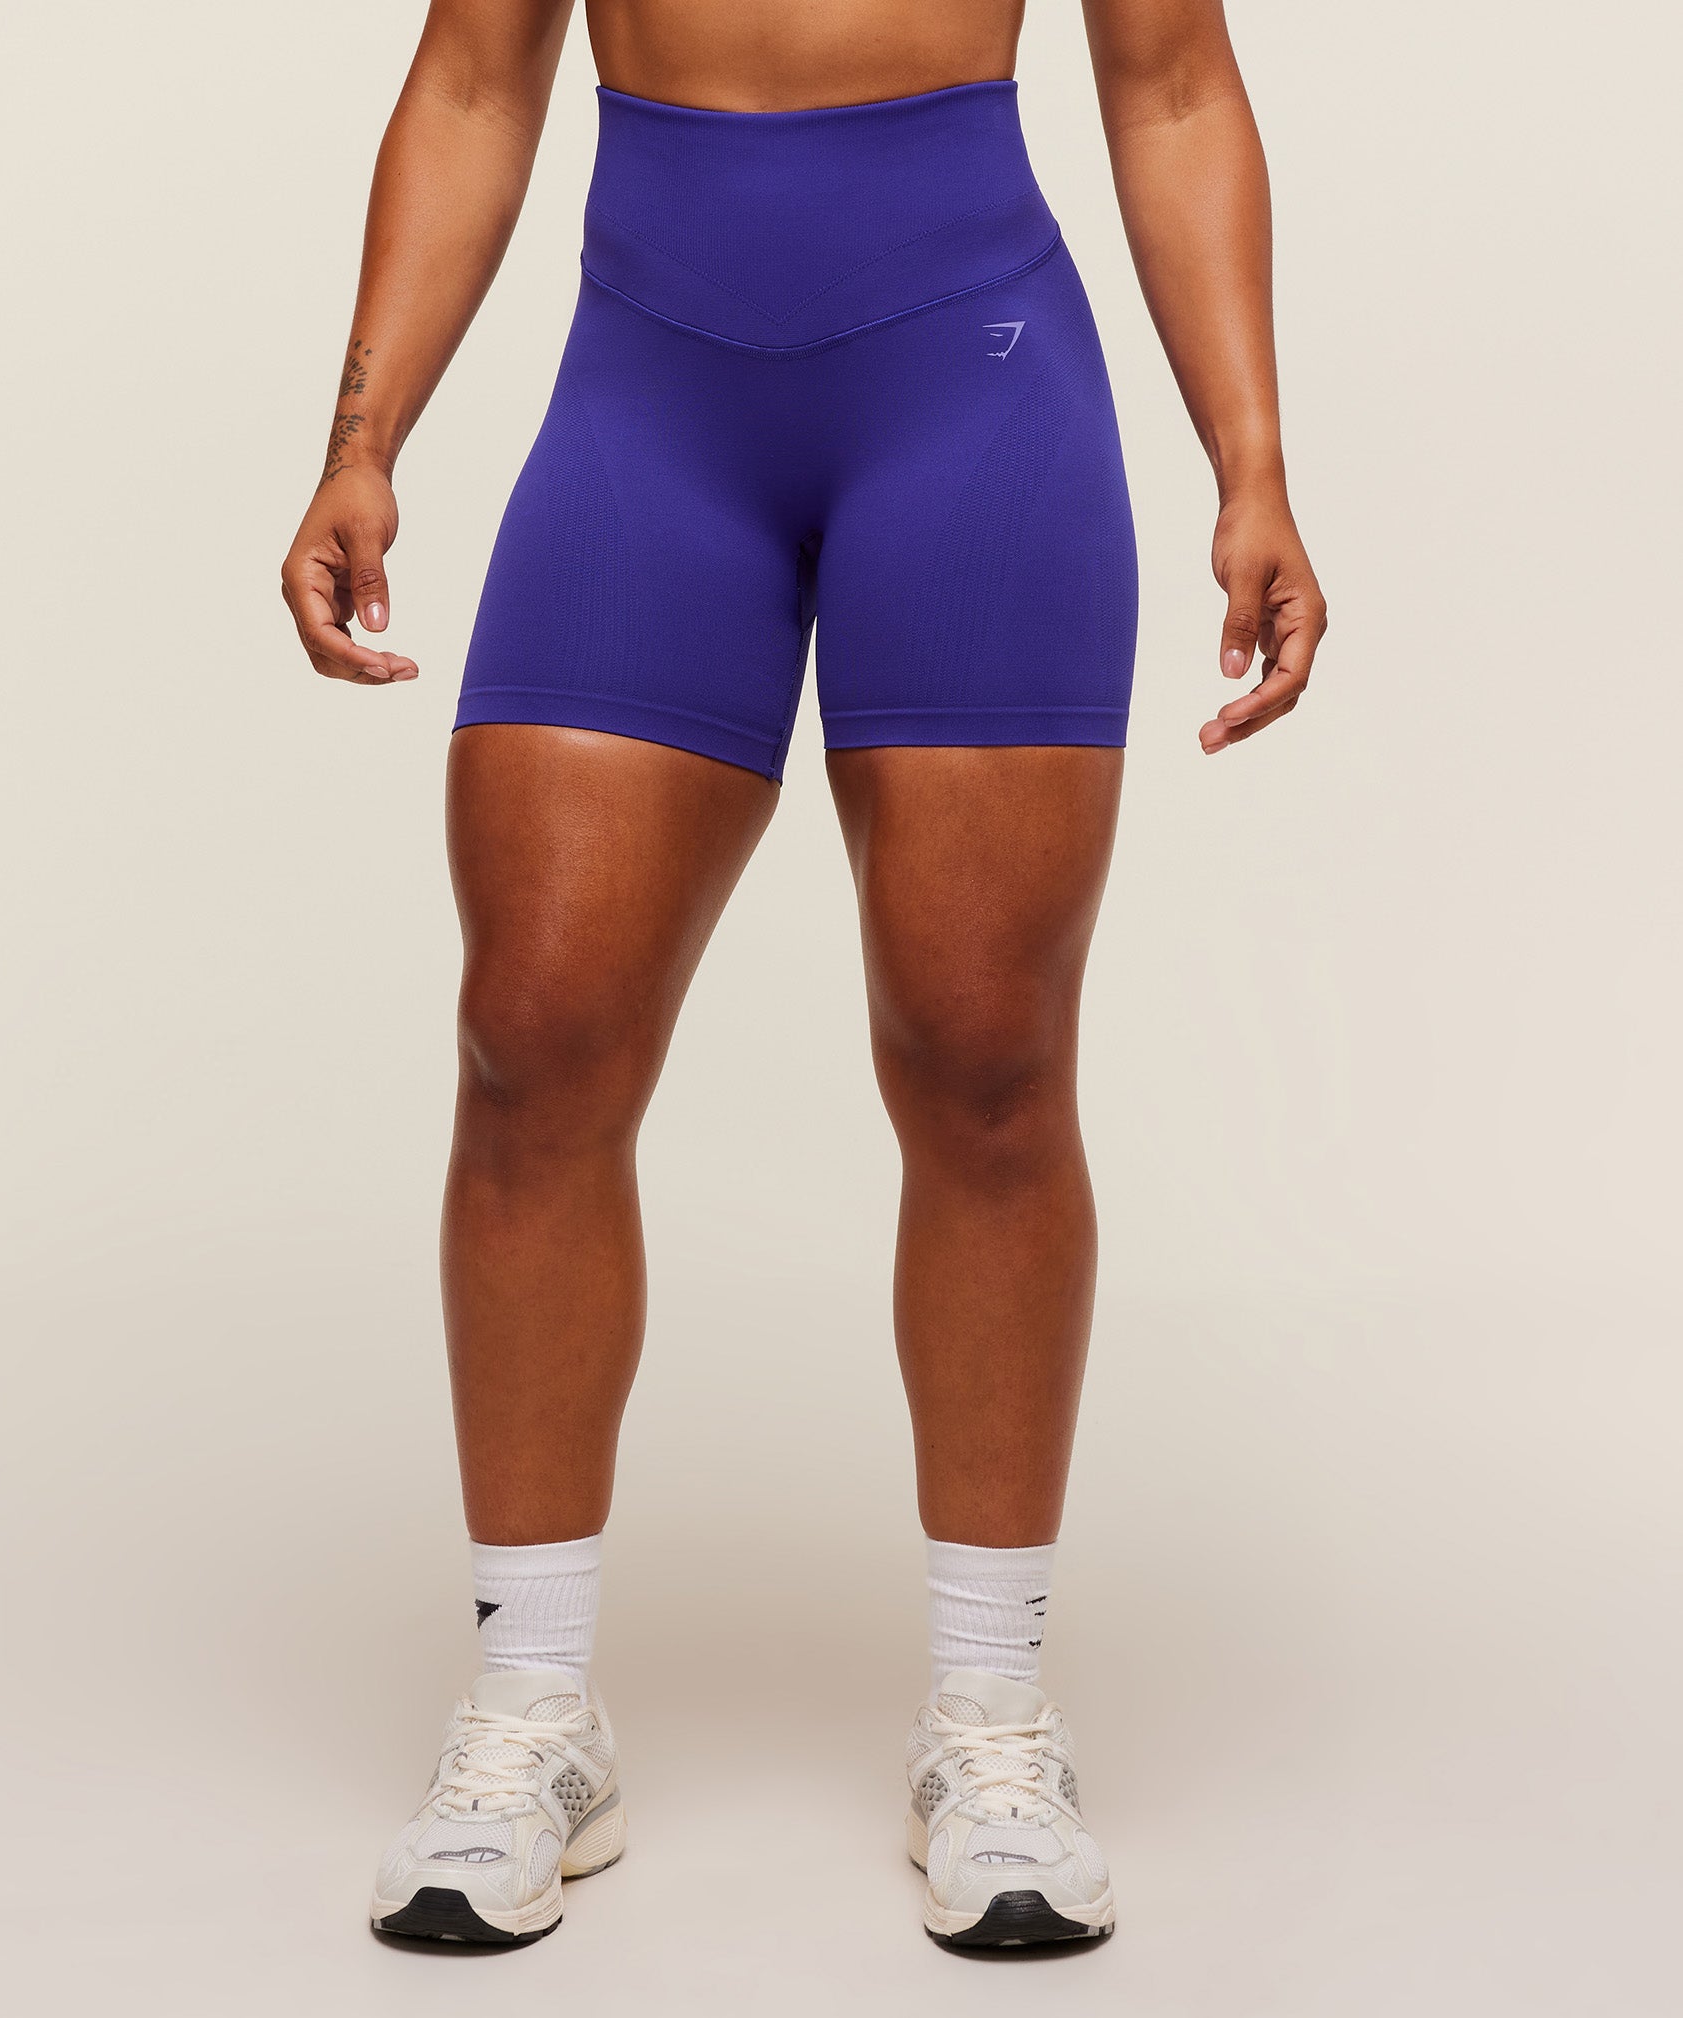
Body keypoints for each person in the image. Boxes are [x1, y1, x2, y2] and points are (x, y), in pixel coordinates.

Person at [281, 0, 1326, 1953]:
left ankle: (991, 1720)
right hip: (652, 398)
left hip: (976, 385)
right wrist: (364, 441)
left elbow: (1173, 80)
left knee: (985, 1052)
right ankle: (532, 1703)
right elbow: (477, 73)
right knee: (533, 1034)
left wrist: (1251, 463)